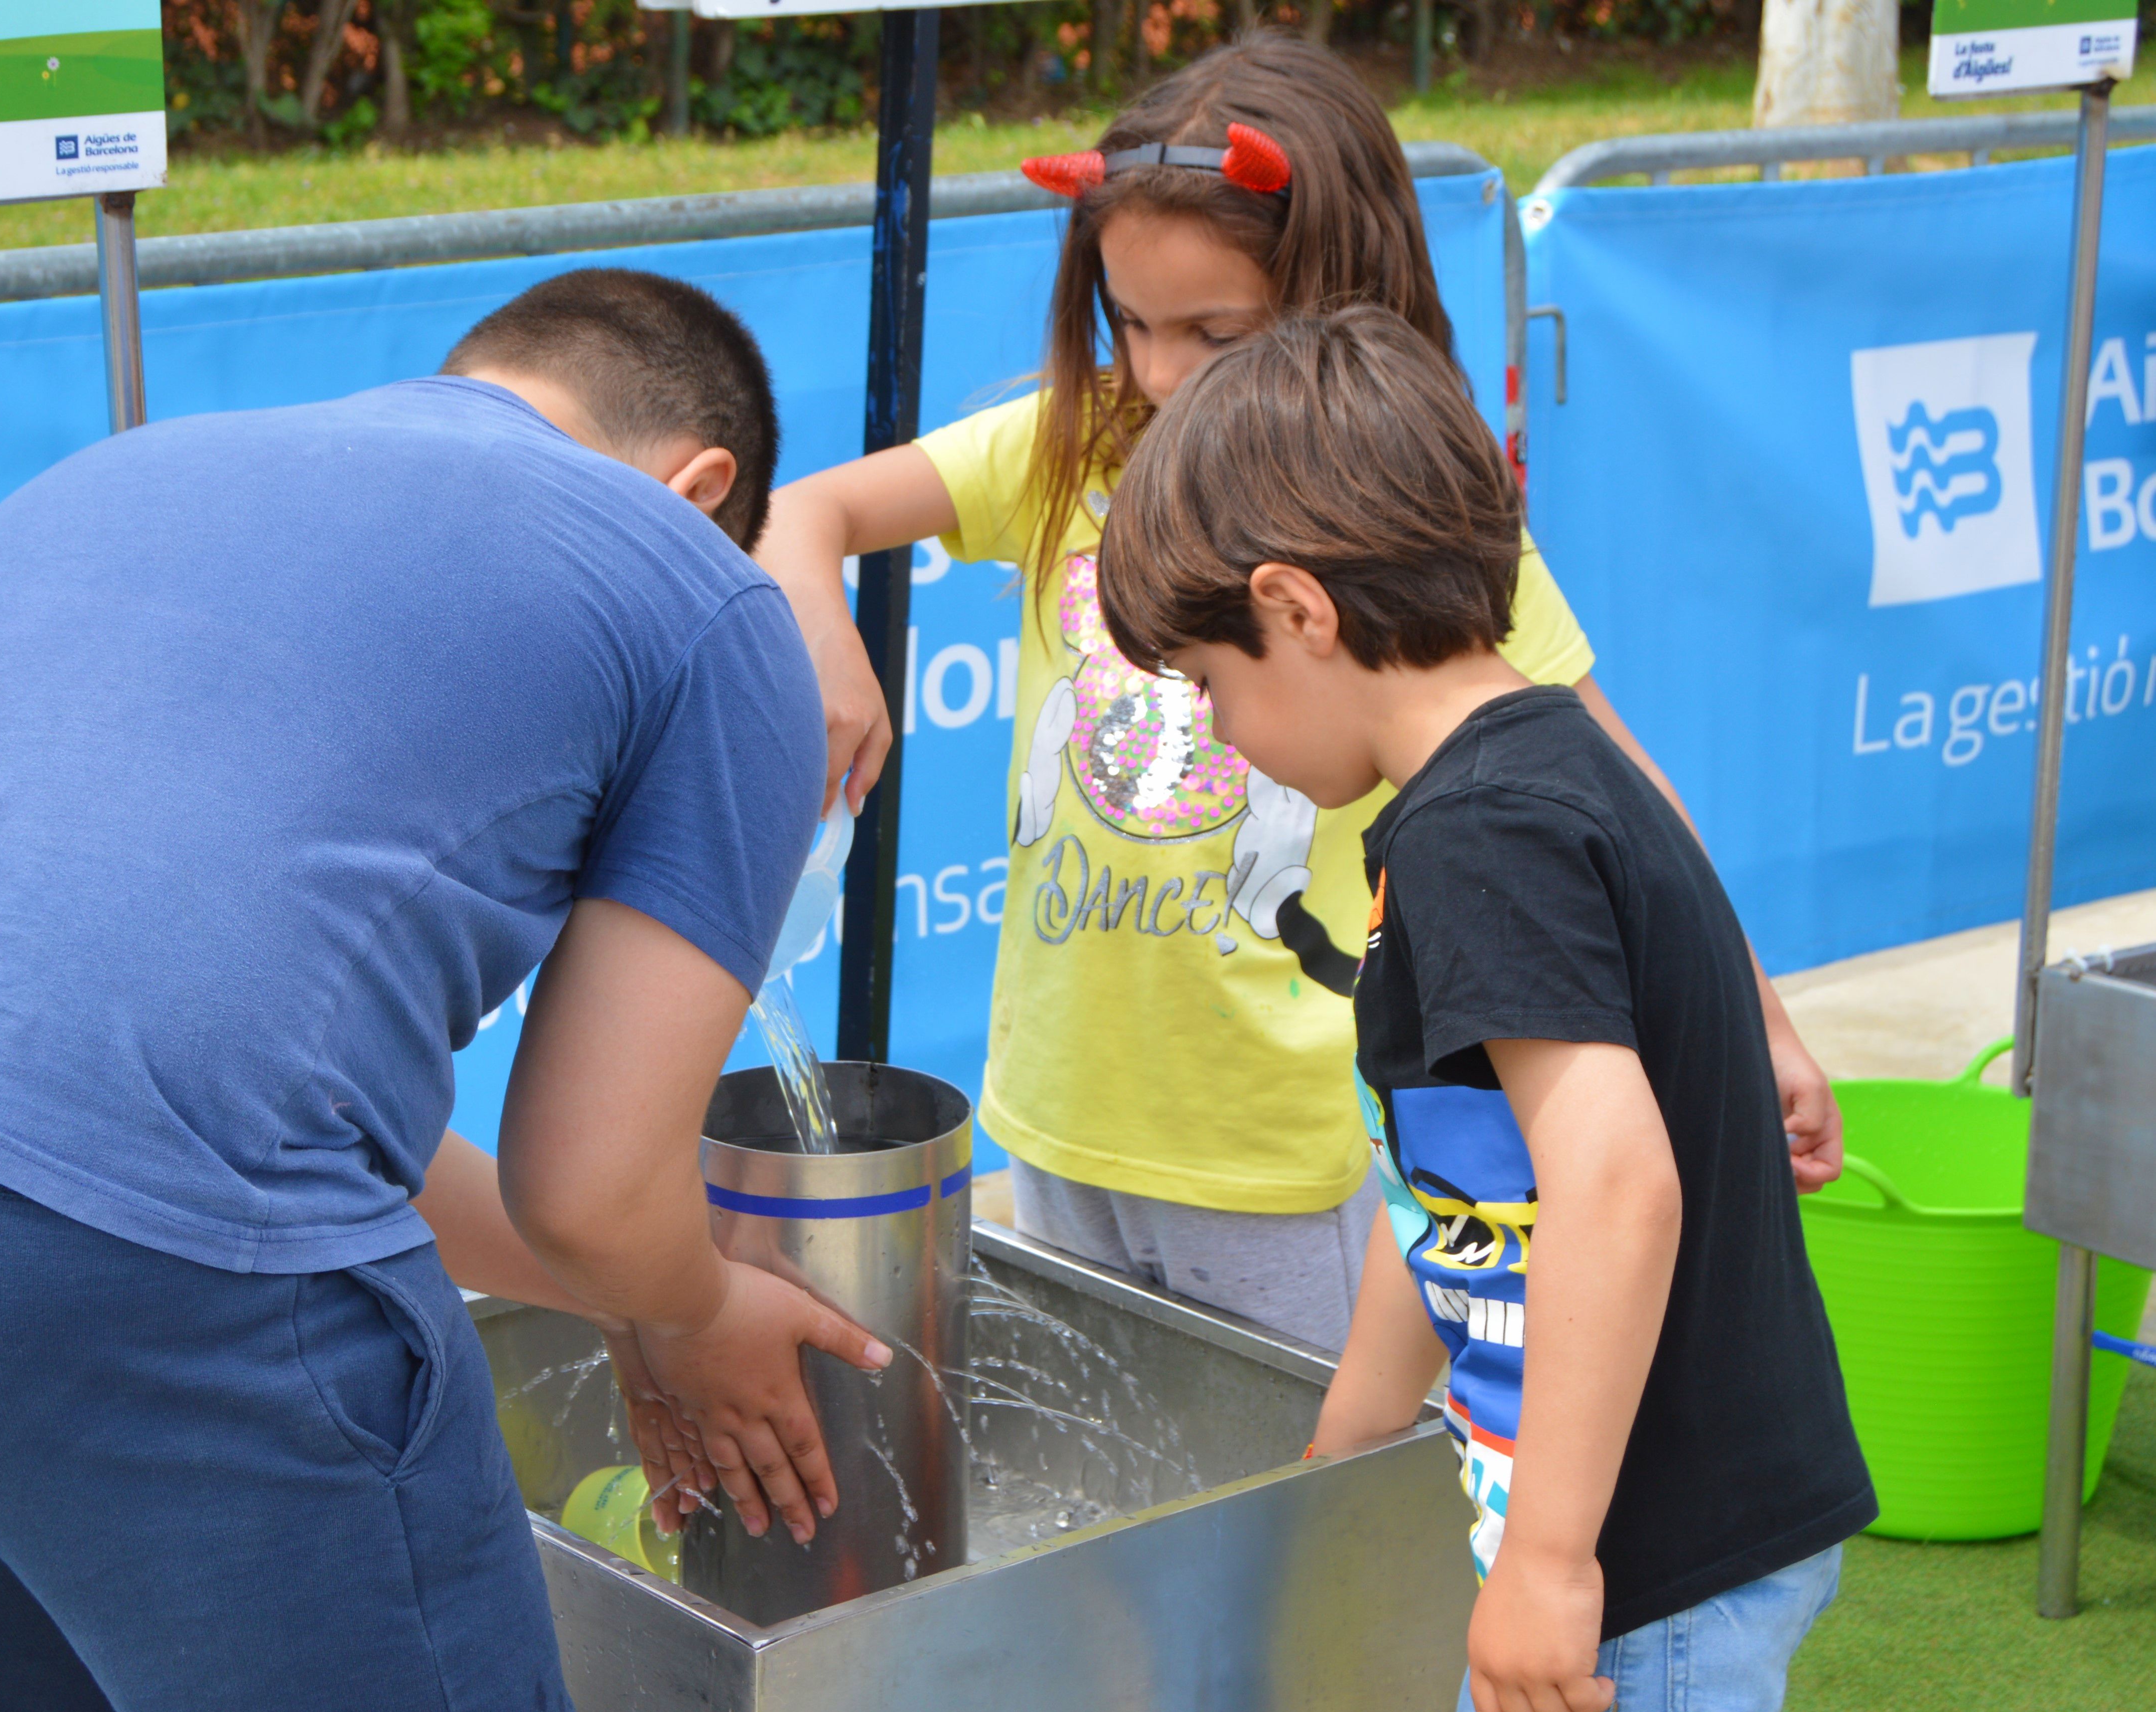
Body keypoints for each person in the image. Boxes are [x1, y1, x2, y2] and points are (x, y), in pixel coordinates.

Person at [0, 268, 890, 1712]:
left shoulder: (139, 470)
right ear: (705, 488)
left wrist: (625, 1294)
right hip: (105, 1255)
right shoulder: (698, 589)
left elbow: (197, 1070)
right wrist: (695, 1304)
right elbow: (591, 1183)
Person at [752, 31, 1843, 1351]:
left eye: (1214, 332)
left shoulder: (1396, 520)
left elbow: (1615, 789)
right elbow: (800, 513)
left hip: (1292, 1162)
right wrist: (823, 635)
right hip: (1064, 1126)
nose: (1159, 375)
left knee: (1304, 1518)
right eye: (1132, 322)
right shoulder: (1069, 444)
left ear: (1336, 288)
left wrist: (1758, 1019)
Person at [1096, 306, 1876, 1712]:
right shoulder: (1513, 780)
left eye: (1208, 680)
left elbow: (1614, 1184)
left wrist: (1555, 1557)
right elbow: (1449, 1177)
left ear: (1299, 607)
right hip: (1617, 1544)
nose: (1217, 730)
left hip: (1644, 1566)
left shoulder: (1481, 836)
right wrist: (1351, 1445)